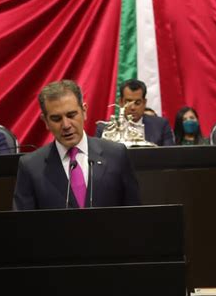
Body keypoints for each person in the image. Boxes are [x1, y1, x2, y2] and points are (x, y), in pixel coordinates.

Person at [13, 79, 141, 210]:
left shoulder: (116, 155)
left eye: (71, 115)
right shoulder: (31, 166)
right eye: (56, 119)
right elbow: (23, 225)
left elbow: (135, 213)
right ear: (45, 121)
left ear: (84, 111)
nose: (66, 125)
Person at [95, 79, 174, 146]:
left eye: (137, 103)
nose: (133, 108)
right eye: (128, 102)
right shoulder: (104, 128)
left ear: (144, 103)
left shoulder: (161, 126)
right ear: (120, 102)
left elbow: (170, 158)